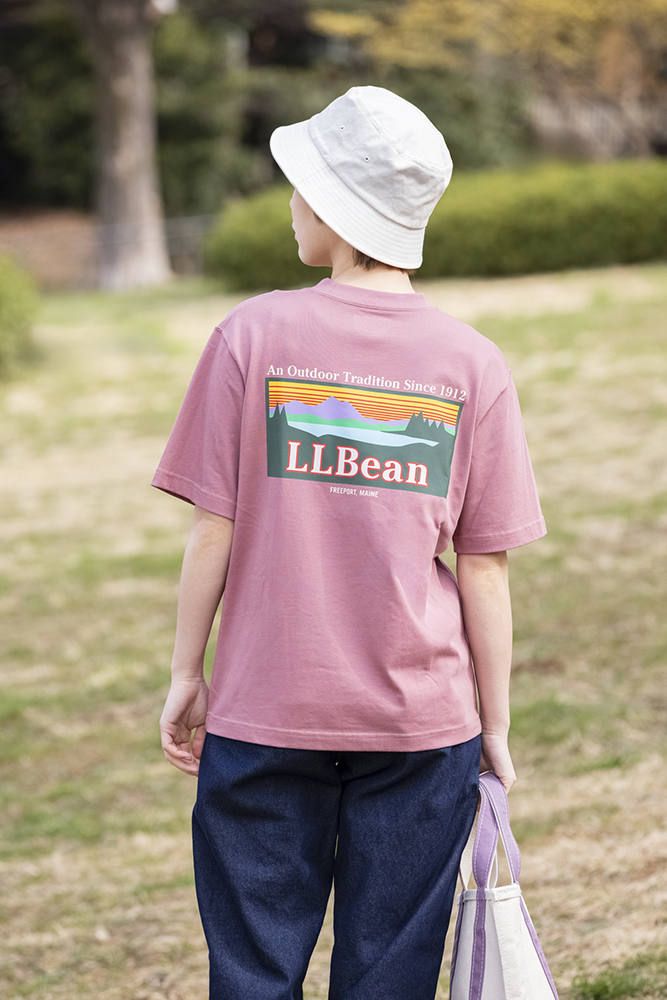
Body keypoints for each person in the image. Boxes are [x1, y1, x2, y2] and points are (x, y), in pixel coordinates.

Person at [153, 86, 546, 1000]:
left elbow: (214, 528)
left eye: (300, 185)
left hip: (262, 714)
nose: (291, 203)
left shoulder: (250, 335)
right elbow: (484, 567)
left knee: (252, 974)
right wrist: (492, 725)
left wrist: (186, 672)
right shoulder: (471, 362)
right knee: (389, 977)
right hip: (420, 725)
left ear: (333, 206)